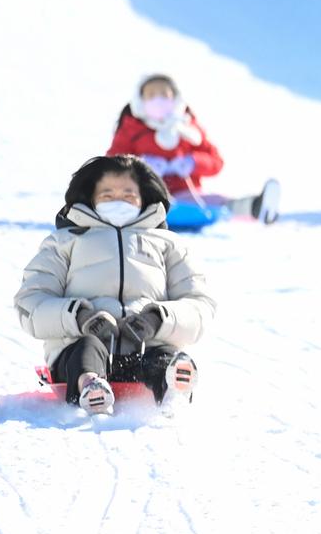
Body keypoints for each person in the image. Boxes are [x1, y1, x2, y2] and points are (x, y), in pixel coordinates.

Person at [14, 156, 216, 415]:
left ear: (145, 197)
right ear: (90, 197)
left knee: (161, 354)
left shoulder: (167, 244)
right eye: (107, 194)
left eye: (128, 194)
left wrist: (157, 320)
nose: (119, 201)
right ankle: (90, 384)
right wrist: (79, 317)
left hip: (146, 345)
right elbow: (30, 302)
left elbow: (199, 303)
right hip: (78, 347)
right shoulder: (64, 242)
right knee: (87, 348)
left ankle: (171, 385)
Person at [107, 73, 281, 224]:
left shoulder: (188, 127)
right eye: (151, 95)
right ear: (140, 101)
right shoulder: (132, 128)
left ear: (175, 98)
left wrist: (193, 162)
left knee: (217, 202)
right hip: (145, 197)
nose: (158, 100)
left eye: (163, 94)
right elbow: (110, 165)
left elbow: (215, 162)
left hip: (188, 197)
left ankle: (256, 207)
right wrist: (140, 165)